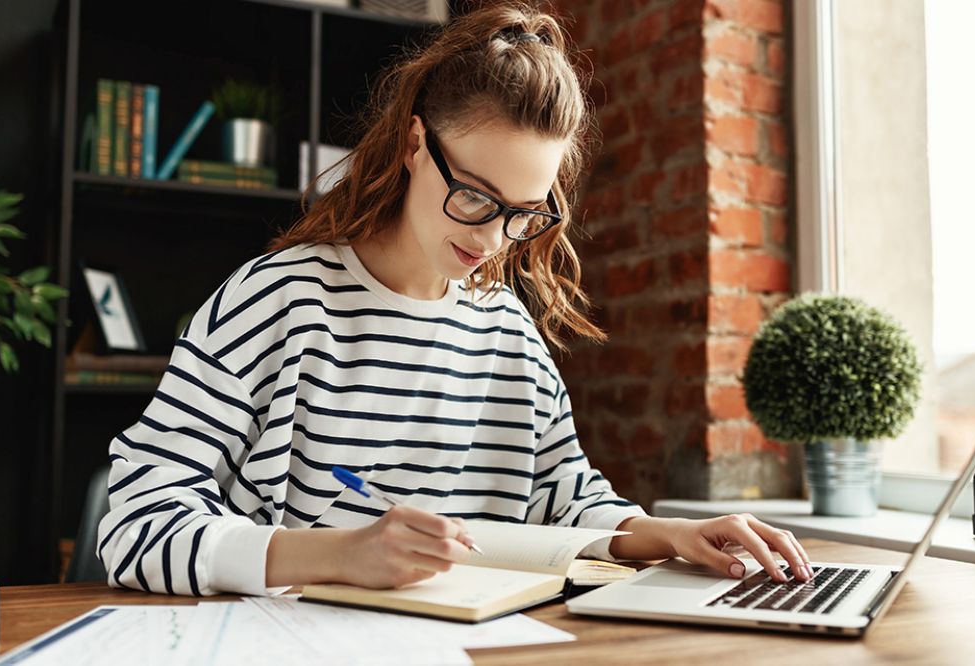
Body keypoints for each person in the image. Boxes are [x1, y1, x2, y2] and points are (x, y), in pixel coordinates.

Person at [97, 1, 813, 597]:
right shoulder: (277, 302)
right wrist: (337, 554)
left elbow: (562, 497)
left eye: (524, 212)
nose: (495, 237)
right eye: (473, 195)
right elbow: (135, 524)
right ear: (414, 144)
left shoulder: (506, 331)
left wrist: (667, 534)